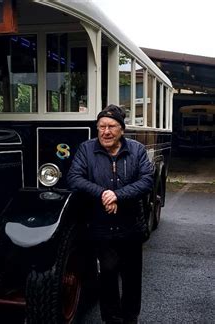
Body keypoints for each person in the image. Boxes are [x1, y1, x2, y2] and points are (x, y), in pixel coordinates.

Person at [67, 104, 154, 324]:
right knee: (106, 275)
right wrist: (103, 194)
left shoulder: (137, 150)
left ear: (122, 129)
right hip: (100, 226)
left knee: (132, 277)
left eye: (112, 126)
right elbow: (75, 178)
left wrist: (118, 196)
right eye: (101, 127)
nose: (106, 131)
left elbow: (146, 180)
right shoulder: (86, 149)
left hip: (131, 226)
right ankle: (111, 319)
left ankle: (130, 318)